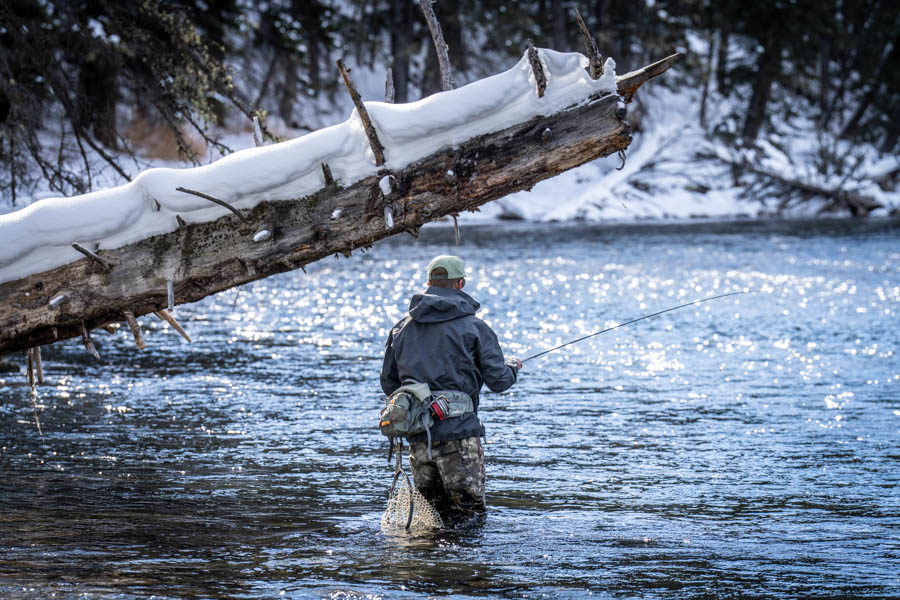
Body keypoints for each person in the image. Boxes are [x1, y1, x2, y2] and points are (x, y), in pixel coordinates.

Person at [380, 255, 522, 522]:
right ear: (460, 284)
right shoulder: (475, 327)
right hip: (459, 435)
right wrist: (512, 367)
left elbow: (389, 383)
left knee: (432, 519)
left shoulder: (401, 329)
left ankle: (430, 552)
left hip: (419, 438)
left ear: (428, 283)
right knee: (469, 518)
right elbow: (499, 381)